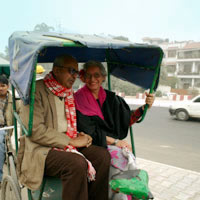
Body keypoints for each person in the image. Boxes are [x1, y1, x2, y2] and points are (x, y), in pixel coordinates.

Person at [17, 55, 111, 200]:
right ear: (56, 70)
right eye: (71, 71)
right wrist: (70, 141)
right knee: (76, 163)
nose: (74, 76)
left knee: (103, 156)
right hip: (42, 149)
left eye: (76, 73)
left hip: (66, 145)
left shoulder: (68, 93)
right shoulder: (36, 91)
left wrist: (81, 136)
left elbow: (69, 125)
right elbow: (35, 130)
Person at [75, 60, 155, 150]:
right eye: (88, 76)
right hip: (90, 144)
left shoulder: (112, 98)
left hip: (113, 142)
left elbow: (126, 119)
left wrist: (145, 107)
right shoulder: (78, 100)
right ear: (84, 78)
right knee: (122, 155)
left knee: (127, 151)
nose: (92, 79)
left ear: (103, 77)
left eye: (96, 75)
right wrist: (116, 142)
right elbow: (88, 132)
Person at [0, 75, 20, 187]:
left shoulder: (15, 101)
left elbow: (21, 116)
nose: (0, 88)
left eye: (3, 86)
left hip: (9, 130)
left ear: (7, 86)